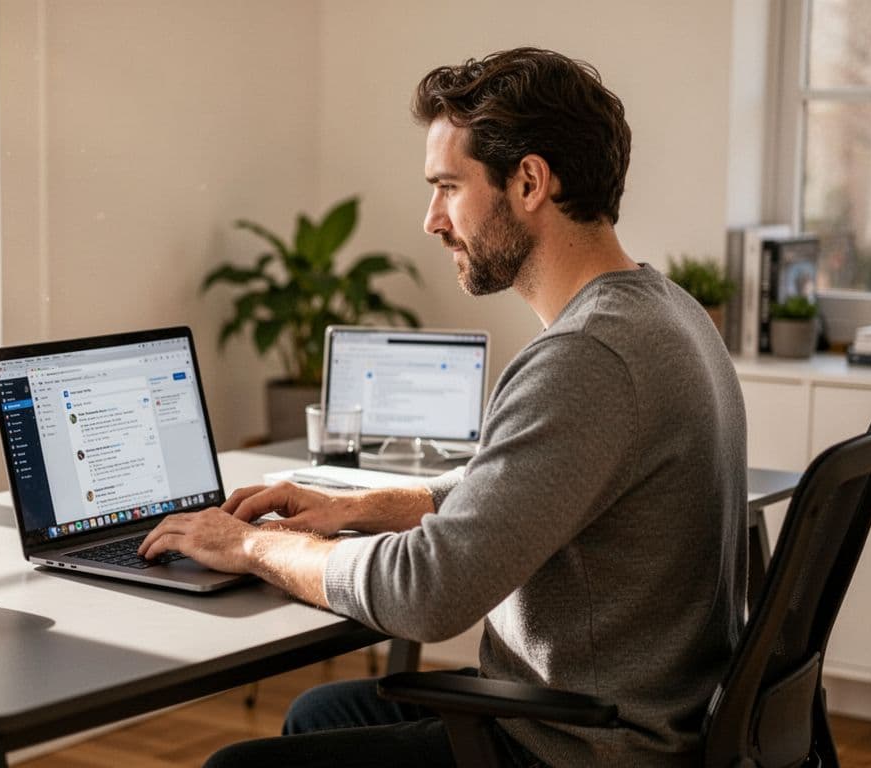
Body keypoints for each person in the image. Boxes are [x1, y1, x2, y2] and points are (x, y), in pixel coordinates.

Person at [139, 47, 746, 767]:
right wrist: (352, 508)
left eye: (448, 187)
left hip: (574, 747)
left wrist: (251, 546)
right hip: (622, 717)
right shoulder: (666, 310)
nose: (432, 220)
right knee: (317, 713)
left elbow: (427, 595)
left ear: (529, 182)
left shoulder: (587, 358)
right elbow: (519, 486)